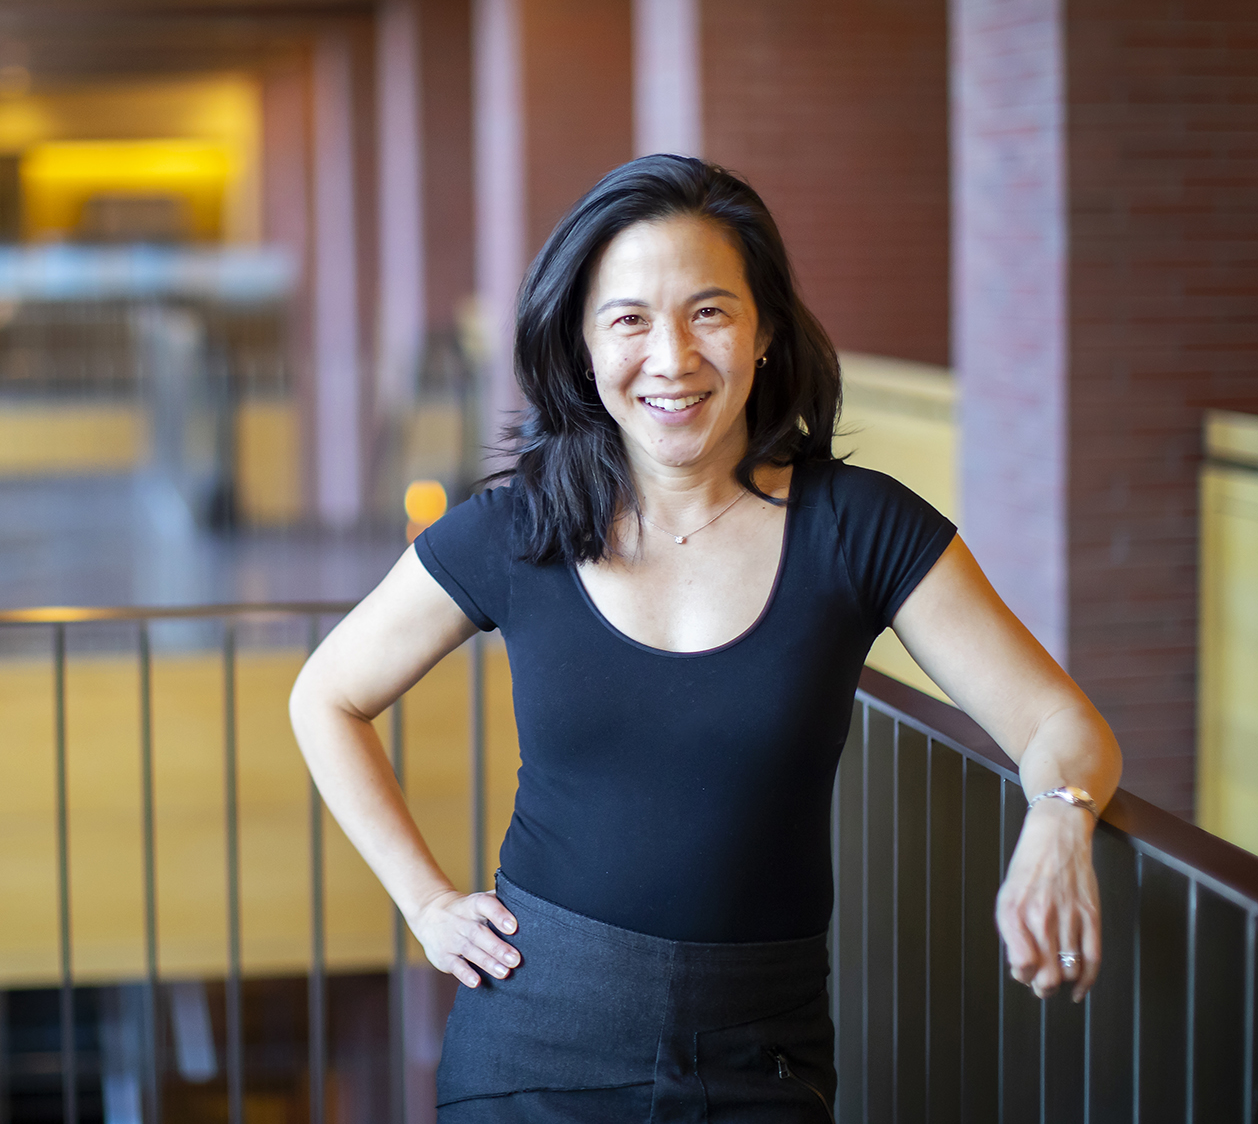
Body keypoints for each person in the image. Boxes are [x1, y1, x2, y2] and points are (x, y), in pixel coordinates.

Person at [289, 155, 1121, 1122]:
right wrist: (426, 903)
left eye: (710, 311)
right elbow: (327, 695)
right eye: (630, 317)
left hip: (761, 1052)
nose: (673, 357)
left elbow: (1063, 722)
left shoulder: (859, 527)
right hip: (535, 1040)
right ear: (584, 345)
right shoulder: (513, 530)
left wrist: (1060, 819)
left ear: (765, 331)